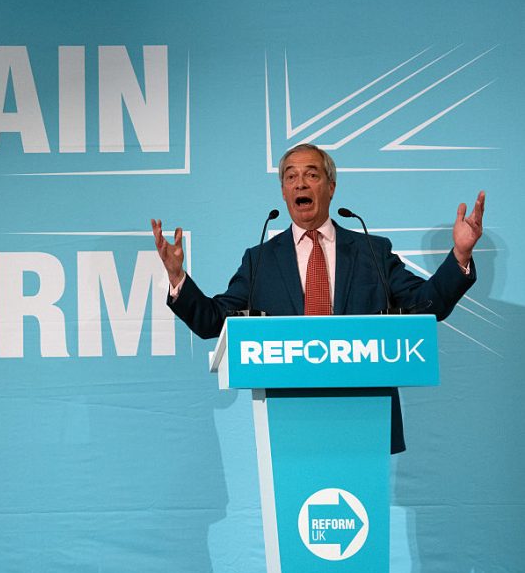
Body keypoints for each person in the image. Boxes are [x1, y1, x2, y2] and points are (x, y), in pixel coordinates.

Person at [151, 143, 486, 454]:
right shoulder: (260, 260)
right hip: (289, 419)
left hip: (364, 415)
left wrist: (460, 255)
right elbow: (212, 321)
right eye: (291, 177)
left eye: (311, 175)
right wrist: (177, 277)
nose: (300, 183)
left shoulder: (371, 251)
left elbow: (426, 305)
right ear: (283, 192)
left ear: (331, 186)